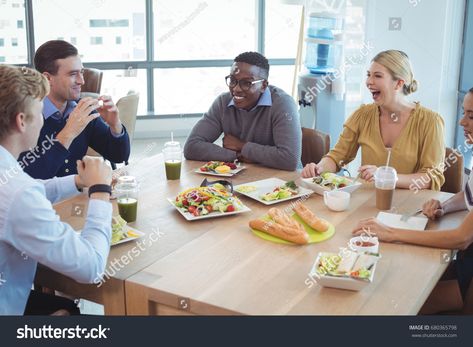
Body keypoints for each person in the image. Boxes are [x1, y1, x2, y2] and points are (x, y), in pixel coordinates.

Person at [0, 64, 113, 315]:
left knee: (64, 308)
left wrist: (76, 181)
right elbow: (91, 267)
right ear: (21, 121)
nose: (43, 120)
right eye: (40, 112)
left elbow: (23, 190)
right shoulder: (18, 194)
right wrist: (100, 190)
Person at [352, 88, 473, 313]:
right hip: (464, 263)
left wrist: (391, 233)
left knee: (397, 305)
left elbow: (461, 238)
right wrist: (444, 206)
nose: (462, 122)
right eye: (463, 113)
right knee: (392, 279)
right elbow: (468, 194)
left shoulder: (429, 120)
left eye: (471, 116)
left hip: (468, 277)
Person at [302, 50, 445, 191]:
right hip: (366, 202)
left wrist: (387, 177)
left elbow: (430, 177)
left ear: (399, 84)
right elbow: (337, 157)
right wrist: (318, 169)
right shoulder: (363, 115)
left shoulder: (430, 122)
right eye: (368, 75)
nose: (369, 82)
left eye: (377, 76)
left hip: (408, 204)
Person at [18, 40, 130, 179]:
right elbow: (30, 177)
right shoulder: (24, 118)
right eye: (72, 74)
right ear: (47, 78)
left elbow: (118, 156)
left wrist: (115, 125)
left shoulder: (82, 109)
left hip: (77, 198)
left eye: (81, 72)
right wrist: (69, 132)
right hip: (41, 200)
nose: (81, 81)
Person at [183, 52, 302, 171]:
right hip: (242, 178)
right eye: (233, 80)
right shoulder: (223, 102)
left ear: (263, 86)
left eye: (247, 83)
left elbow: (289, 159)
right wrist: (237, 156)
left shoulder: (283, 104)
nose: (236, 89)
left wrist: (242, 146)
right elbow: (192, 147)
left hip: (283, 183)